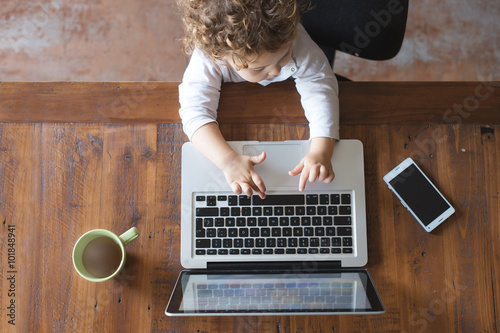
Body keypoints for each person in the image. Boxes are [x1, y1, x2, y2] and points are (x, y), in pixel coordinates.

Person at [177, 0, 339, 199]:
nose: (276, 70)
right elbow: (194, 111)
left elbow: (320, 88)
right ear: (220, 55)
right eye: (258, 69)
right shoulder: (210, 56)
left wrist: (321, 151)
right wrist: (228, 161)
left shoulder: (291, 37)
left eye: (284, 56)